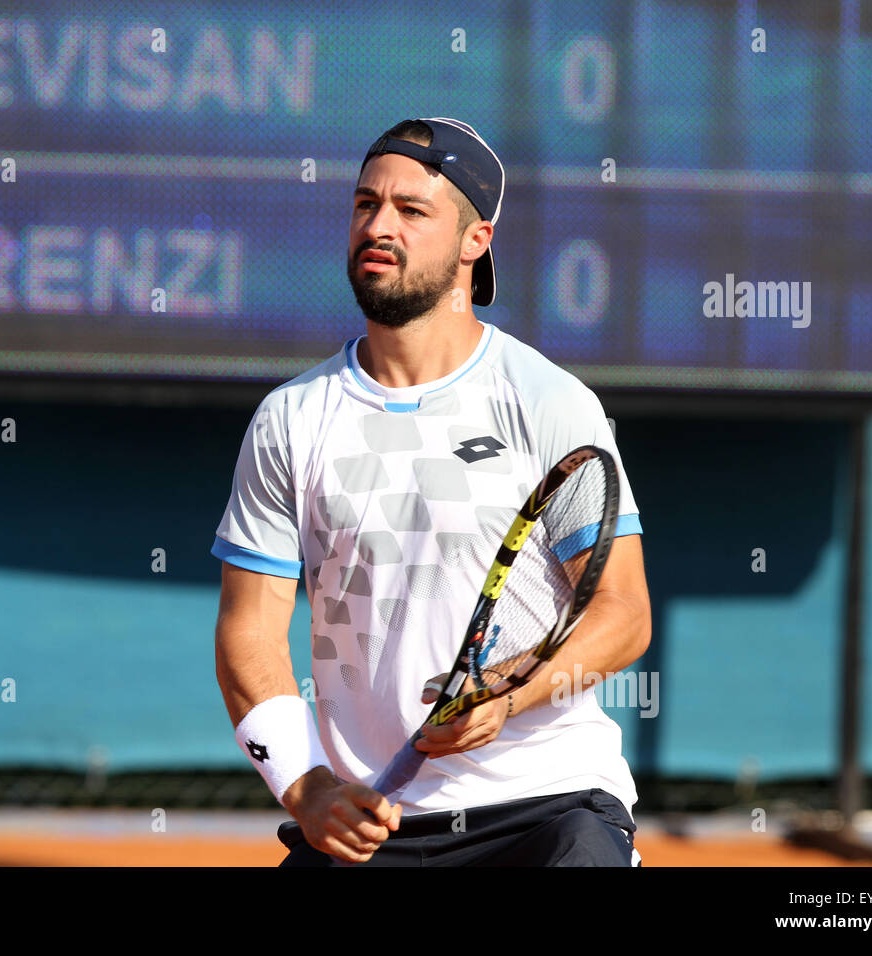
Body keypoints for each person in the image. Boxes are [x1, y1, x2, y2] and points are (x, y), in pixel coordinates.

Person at [212, 118, 651, 866]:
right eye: (365, 205)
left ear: (475, 240)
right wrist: (305, 786)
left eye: (412, 211)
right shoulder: (290, 419)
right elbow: (249, 632)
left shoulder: (547, 402)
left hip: (546, 807)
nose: (378, 226)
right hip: (368, 819)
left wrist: (508, 697)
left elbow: (622, 615)